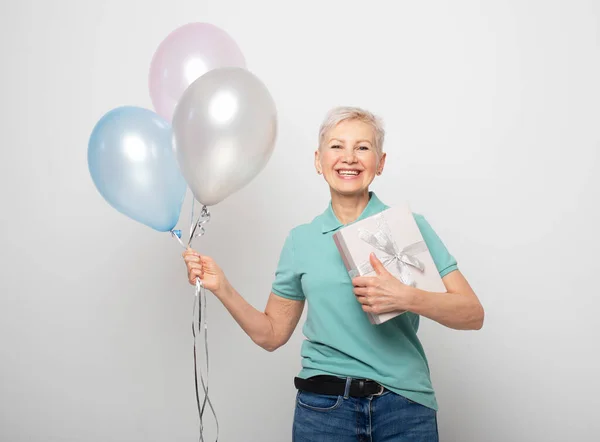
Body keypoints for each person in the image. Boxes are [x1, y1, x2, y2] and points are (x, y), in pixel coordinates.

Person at [182, 106, 484, 442]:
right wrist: (222, 287)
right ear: (318, 160)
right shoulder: (302, 241)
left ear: (380, 162)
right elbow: (271, 335)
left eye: (363, 147)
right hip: (323, 410)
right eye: (337, 146)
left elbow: (472, 314)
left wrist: (406, 296)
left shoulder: (408, 228)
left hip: (404, 407)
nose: (349, 158)